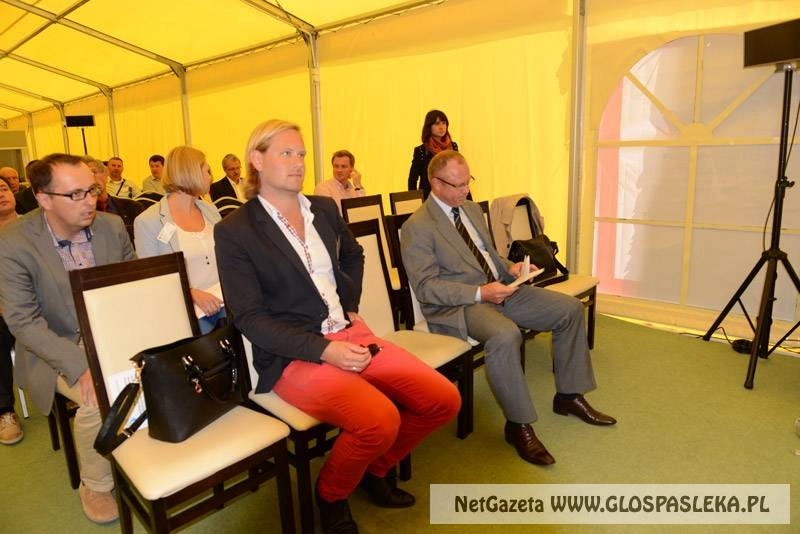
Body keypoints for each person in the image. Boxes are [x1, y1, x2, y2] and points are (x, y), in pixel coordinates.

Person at [214, 120, 460, 534]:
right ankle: (331, 494)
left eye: (301, 154)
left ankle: (373, 469)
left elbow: (354, 256)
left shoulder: (323, 209)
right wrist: (325, 349)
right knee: (380, 419)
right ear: (257, 159)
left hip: (350, 333)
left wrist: (350, 305)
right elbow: (250, 319)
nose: (298, 162)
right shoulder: (235, 231)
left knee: (443, 399)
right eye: (286, 153)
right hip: (293, 354)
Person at [401, 150, 616, 467]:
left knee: (569, 309)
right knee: (505, 335)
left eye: (468, 182)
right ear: (435, 183)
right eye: (458, 185)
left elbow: (486, 254)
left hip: (500, 287)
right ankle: (518, 425)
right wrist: (480, 293)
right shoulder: (418, 226)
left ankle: (568, 396)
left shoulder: (470, 209)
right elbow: (426, 287)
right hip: (461, 304)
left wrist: (510, 268)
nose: (465, 190)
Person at [0, 153, 135, 523]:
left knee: (168, 368)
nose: (89, 200)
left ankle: (144, 451)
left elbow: (133, 284)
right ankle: (95, 483)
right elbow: (24, 322)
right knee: (99, 396)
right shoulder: (12, 241)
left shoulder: (111, 226)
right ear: (43, 198)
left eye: (91, 190)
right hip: (56, 345)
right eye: (75, 194)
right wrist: (79, 366)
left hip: (113, 332)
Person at [134, 146, 225, 334]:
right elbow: (152, 278)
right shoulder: (148, 221)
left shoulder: (211, 211)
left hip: (224, 305)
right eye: (207, 171)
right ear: (190, 173)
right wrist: (192, 294)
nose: (211, 177)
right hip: (183, 312)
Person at [0, 176, 22, 445]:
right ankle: (5, 411)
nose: (1, 194)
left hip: (42, 305)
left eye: (3, 188)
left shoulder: (37, 225)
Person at [85, 158, 143, 243]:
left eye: (93, 172)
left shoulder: (133, 208)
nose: (89, 178)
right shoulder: (78, 215)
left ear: (106, 174)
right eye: (83, 176)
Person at [407, 109, 459, 200]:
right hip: (429, 198)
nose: (441, 127)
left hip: (450, 197)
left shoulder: (453, 147)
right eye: (437, 124)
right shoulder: (421, 151)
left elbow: (458, 172)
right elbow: (412, 180)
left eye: (444, 123)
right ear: (429, 127)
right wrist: (415, 201)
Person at [314, 150, 365, 214]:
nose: (339, 170)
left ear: (352, 169)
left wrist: (358, 186)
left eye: (343, 166)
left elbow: (363, 212)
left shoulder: (355, 190)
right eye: (336, 166)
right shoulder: (323, 188)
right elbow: (331, 215)